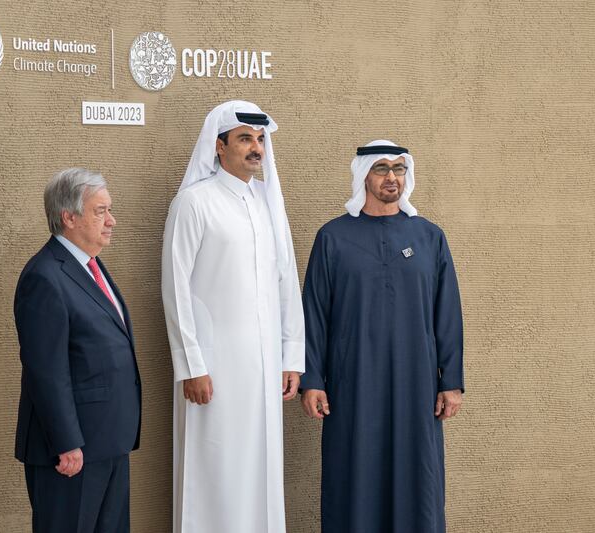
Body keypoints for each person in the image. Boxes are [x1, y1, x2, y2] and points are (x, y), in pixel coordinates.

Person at [300, 140, 464, 533]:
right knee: (354, 472)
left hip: (417, 384)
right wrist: (312, 381)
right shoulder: (333, 238)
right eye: (382, 169)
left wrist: (451, 382)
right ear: (363, 176)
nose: (392, 177)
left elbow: (448, 313)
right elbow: (314, 314)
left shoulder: (429, 237)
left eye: (399, 169)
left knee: (417, 475)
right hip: (352, 383)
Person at [161, 100, 305, 533]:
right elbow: (175, 288)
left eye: (260, 140)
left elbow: (285, 280)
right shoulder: (194, 203)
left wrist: (290, 356)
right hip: (213, 371)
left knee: (260, 471)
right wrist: (191, 366)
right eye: (245, 139)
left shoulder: (266, 203)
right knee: (214, 471)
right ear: (218, 146)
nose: (256, 148)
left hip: (263, 372)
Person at [14, 168, 142, 533]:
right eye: (101, 211)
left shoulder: (90, 266)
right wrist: (68, 443)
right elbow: (46, 371)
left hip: (108, 442)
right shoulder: (45, 276)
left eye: (110, 210)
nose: (112, 221)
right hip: (72, 452)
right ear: (69, 217)